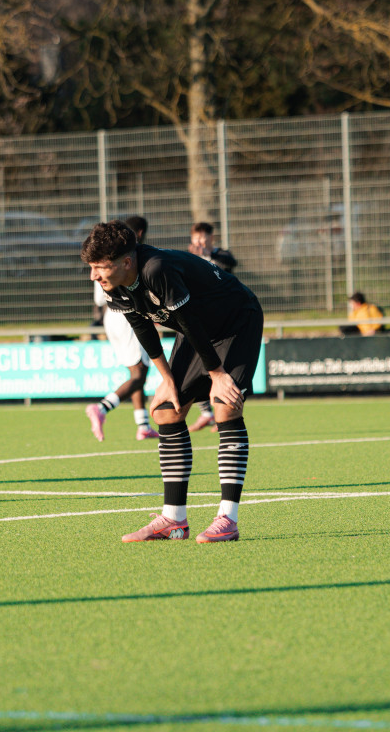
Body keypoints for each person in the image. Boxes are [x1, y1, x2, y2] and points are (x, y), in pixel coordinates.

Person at [82, 220, 264, 544]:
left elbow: (189, 321)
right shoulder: (114, 285)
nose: (94, 275)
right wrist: (166, 378)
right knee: (166, 409)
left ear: (126, 262)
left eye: (100, 267)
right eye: (92, 267)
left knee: (225, 406)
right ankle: (173, 520)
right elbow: (143, 327)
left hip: (237, 320)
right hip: (199, 331)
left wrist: (218, 375)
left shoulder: (156, 269)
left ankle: (228, 518)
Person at [85, 215, 160, 442]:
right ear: (139, 234)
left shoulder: (105, 258)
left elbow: (99, 301)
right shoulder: (126, 257)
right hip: (125, 314)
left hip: (110, 316)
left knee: (136, 371)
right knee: (140, 373)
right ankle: (102, 408)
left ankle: (143, 425)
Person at [187, 221, 237, 431]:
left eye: (203, 238)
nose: (199, 242)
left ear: (211, 238)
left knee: (222, 365)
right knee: (195, 364)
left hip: (223, 315)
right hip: (199, 316)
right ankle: (207, 413)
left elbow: (228, 265)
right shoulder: (188, 258)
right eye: (196, 238)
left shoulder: (221, 254)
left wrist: (207, 255)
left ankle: (224, 412)